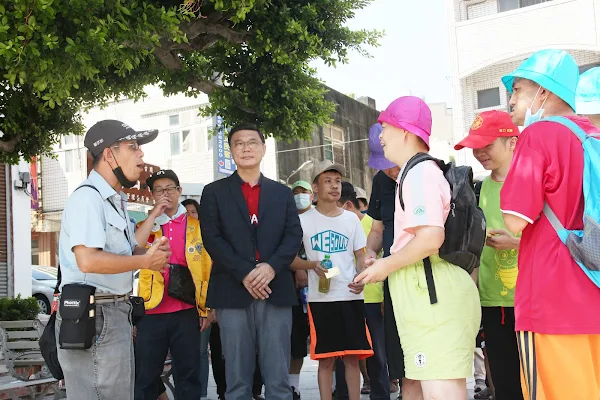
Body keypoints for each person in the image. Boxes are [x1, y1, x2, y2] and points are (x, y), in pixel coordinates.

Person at [355, 97, 481, 400]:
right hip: (427, 295)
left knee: (441, 390)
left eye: (385, 127)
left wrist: (384, 266)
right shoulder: (417, 172)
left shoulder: (419, 173)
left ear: (405, 132)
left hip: (432, 297)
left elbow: (430, 237)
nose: (381, 135)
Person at [500, 49, 600, 400]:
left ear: (543, 92)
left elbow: (513, 220)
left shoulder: (539, 135)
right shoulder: (594, 136)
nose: (511, 101)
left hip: (550, 299)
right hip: (594, 293)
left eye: (518, 91)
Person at [56, 120, 170, 399]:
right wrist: (144, 263)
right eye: (133, 147)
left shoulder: (114, 199)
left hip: (113, 312)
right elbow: (88, 261)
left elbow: (128, 251)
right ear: (109, 154)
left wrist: (150, 255)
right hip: (95, 315)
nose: (141, 156)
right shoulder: (88, 198)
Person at [200, 123, 302, 400]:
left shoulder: (282, 193)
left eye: (252, 142)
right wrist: (246, 272)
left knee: (278, 377)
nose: (246, 148)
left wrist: (270, 268)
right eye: (239, 143)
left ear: (263, 149)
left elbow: (293, 235)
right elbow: (212, 238)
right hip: (232, 289)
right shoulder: (213, 192)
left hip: (275, 288)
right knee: (237, 378)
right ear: (231, 151)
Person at [454, 110, 523, 400]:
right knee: (505, 384)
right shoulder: (477, 190)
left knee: (538, 381)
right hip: (492, 301)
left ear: (512, 143)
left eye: (488, 145)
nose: (480, 153)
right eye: (476, 147)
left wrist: (517, 244)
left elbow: (558, 238)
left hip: (531, 301)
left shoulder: (534, 182)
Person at [133, 169, 212, 400]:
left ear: (179, 191)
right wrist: (154, 215)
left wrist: (206, 308)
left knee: (188, 374)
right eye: (158, 190)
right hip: (151, 310)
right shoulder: (146, 226)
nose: (164, 194)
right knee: (146, 376)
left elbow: (208, 268)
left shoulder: (198, 226)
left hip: (186, 310)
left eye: (169, 188)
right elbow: (132, 252)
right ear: (152, 195)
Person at [298, 160, 372, 400]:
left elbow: (360, 257)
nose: (334, 186)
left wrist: (362, 277)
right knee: (326, 359)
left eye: (338, 181)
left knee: (352, 357)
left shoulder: (351, 220)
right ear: (315, 188)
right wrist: (311, 266)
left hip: (350, 294)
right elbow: (289, 260)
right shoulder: (303, 220)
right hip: (321, 299)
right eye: (327, 181)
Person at [333, 182, 390, 400]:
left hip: (373, 298)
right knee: (343, 351)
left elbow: (385, 259)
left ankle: (381, 393)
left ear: (348, 205)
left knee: (376, 352)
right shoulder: (338, 227)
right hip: (344, 297)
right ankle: (343, 393)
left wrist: (385, 295)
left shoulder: (373, 226)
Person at [365, 122, 404, 398]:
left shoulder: (427, 171)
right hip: (393, 277)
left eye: (391, 163)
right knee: (396, 351)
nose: (389, 171)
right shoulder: (381, 181)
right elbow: (378, 229)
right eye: (383, 165)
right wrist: (370, 253)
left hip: (425, 278)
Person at [288, 180, 314, 400]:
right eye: (295, 193)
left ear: (312, 195)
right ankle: (293, 386)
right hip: (295, 292)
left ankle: (335, 386)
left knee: (327, 339)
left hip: (323, 286)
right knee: (296, 341)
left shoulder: (320, 218)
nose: (300, 196)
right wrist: (298, 268)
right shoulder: (287, 220)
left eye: (304, 192)